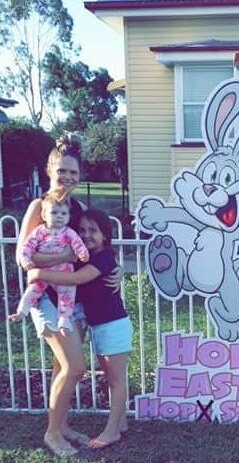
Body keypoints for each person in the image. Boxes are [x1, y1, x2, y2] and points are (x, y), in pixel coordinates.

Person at [15, 135, 121, 456]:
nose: (68, 177)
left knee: (61, 367)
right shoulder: (40, 207)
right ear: (50, 169)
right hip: (45, 298)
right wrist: (60, 261)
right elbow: (24, 257)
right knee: (75, 367)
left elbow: (96, 246)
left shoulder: (79, 209)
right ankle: (52, 433)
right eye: (62, 171)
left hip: (73, 299)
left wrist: (113, 269)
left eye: (73, 172)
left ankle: (61, 425)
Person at [28, 208, 133, 450]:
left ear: (105, 235)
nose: (86, 235)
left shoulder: (104, 258)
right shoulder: (86, 257)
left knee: (116, 380)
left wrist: (38, 273)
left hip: (113, 325)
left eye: (93, 231)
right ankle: (121, 423)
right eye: (82, 230)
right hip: (101, 326)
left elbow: (76, 280)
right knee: (112, 378)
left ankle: (111, 432)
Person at [9, 191, 89, 334]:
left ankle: (64, 320)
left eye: (63, 214)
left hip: (64, 272)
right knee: (33, 290)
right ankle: (22, 311)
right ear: (44, 216)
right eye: (54, 213)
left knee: (67, 294)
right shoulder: (39, 232)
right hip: (44, 273)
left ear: (68, 217)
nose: (59, 216)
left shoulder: (69, 232)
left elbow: (78, 244)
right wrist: (26, 260)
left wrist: (82, 253)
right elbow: (27, 247)